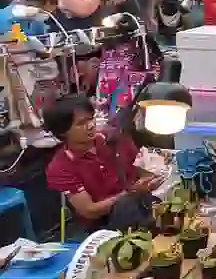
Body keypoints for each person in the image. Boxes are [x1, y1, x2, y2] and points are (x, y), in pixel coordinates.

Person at [44, 95, 163, 231]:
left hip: (142, 204)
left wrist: (150, 178)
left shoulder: (114, 137)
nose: (91, 125)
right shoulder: (60, 167)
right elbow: (90, 210)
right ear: (63, 131)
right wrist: (132, 193)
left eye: (91, 118)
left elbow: (141, 168)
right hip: (105, 224)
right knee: (125, 207)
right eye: (81, 123)